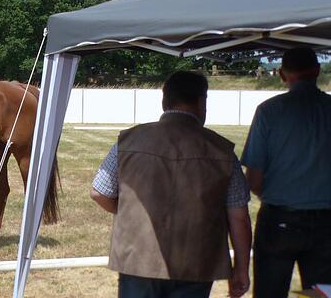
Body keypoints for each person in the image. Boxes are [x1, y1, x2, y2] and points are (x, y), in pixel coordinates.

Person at [90, 71, 252, 298]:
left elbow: (100, 192)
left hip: (138, 259)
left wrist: (131, 212)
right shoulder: (222, 151)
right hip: (198, 262)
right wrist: (242, 269)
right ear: (201, 101)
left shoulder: (128, 141)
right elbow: (240, 217)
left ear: (164, 101)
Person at [241, 47, 331, 297]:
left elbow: (254, 178)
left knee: (269, 292)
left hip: (279, 218)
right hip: (327, 222)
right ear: (317, 71)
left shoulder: (269, 111)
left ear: (282, 74)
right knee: (322, 293)